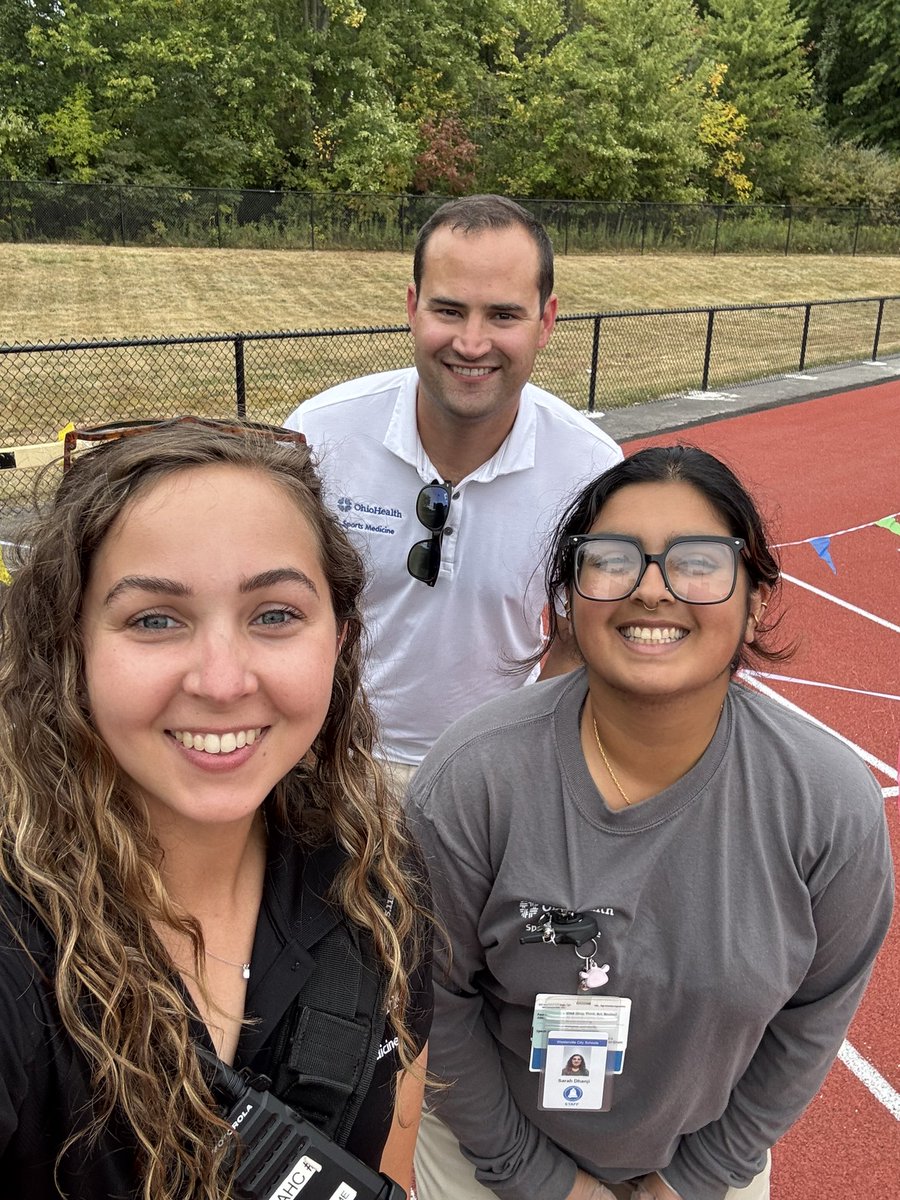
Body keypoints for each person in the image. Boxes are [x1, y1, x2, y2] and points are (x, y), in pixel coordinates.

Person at [407, 445, 894, 1200]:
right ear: (570, 595)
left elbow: (813, 1015)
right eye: (612, 560)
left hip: (706, 1166)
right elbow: (437, 1005)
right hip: (491, 1158)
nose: (652, 590)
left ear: (756, 599)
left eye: (698, 563)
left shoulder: (829, 805)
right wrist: (535, 1177)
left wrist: (697, 1179)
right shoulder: (471, 781)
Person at [0, 417, 432, 1199]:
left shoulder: (380, 878)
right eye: (154, 620)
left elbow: (387, 1167)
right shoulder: (17, 946)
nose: (223, 681)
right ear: (70, 648)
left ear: (339, 639)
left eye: (274, 614)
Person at [285, 195, 622, 778]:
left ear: (546, 322)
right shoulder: (319, 435)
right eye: (448, 310)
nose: (471, 343)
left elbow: (576, 640)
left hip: (489, 772)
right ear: (412, 308)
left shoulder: (590, 467)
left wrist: (515, 759)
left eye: (503, 316)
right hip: (331, 763)